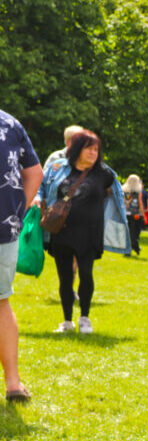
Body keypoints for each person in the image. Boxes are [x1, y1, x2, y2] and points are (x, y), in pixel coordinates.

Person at [38, 129, 130, 334]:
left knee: (86, 275)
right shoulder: (58, 169)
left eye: (96, 149)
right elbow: (42, 186)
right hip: (61, 232)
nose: (93, 153)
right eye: (89, 148)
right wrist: (37, 199)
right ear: (77, 149)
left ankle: (85, 318)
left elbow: (115, 196)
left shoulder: (104, 174)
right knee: (65, 279)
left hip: (90, 234)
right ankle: (67, 321)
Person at [0, 109, 42, 403]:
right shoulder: (9, 122)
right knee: (1, 303)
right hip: (4, 227)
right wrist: (18, 213)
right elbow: (35, 173)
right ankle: (13, 384)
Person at [122, 174, 145, 255]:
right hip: (135, 214)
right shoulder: (138, 191)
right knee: (135, 232)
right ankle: (134, 246)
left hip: (125, 213)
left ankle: (130, 248)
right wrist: (143, 213)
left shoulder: (123, 190)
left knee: (127, 232)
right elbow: (140, 203)